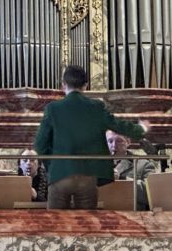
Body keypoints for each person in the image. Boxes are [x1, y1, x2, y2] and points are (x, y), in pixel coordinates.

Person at [34, 65, 147, 210]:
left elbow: (40, 145)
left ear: (63, 84)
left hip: (60, 175)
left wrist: (53, 165)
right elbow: (117, 125)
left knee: (57, 221)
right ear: (85, 85)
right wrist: (141, 129)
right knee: (87, 221)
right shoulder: (96, 106)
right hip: (87, 176)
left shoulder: (52, 108)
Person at [105, 130, 157, 211]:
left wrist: (122, 179)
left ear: (128, 142)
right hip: (102, 212)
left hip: (132, 213)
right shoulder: (96, 163)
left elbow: (150, 195)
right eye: (110, 141)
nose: (114, 145)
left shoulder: (144, 164)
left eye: (119, 141)